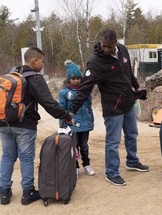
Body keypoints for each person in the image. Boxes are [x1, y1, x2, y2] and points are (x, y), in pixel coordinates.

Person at [70, 28, 149, 186]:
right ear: (101, 42)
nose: (106, 49)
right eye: (104, 46)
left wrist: (135, 85)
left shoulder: (123, 51)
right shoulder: (95, 63)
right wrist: (72, 110)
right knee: (113, 142)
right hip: (113, 107)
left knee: (132, 134)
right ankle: (111, 172)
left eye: (110, 46)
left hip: (128, 102)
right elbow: (84, 89)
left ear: (116, 43)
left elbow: (127, 72)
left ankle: (132, 161)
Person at [0, 47, 73, 205]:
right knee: (26, 159)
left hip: (3, 123)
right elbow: (48, 103)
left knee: (7, 157)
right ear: (34, 60)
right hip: (25, 125)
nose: (43, 65)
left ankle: (4, 192)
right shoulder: (34, 78)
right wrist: (66, 115)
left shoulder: (10, 74)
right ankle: (28, 193)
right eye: (42, 62)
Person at [59, 60, 95, 177]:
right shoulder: (64, 93)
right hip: (72, 125)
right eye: (74, 78)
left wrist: (91, 119)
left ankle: (87, 164)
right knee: (74, 147)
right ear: (68, 79)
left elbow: (89, 106)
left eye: (78, 78)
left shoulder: (85, 91)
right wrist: (62, 125)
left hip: (85, 124)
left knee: (84, 146)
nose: (76, 80)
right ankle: (75, 166)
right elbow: (62, 109)